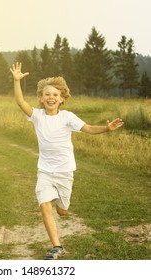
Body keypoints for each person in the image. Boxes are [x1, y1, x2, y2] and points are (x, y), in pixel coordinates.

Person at [10, 62, 124, 260]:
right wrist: (16, 81)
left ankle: (60, 204)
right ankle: (57, 246)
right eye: (47, 94)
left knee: (62, 211)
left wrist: (107, 128)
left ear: (62, 99)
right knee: (44, 204)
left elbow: (88, 128)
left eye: (55, 95)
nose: (51, 97)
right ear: (40, 98)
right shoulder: (37, 116)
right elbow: (20, 102)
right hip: (45, 171)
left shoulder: (67, 117)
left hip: (65, 171)